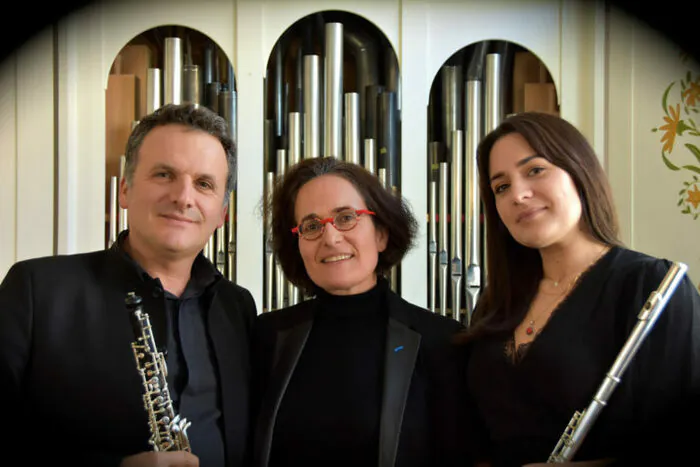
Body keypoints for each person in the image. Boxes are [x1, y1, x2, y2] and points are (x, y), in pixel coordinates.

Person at [0, 103, 257, 467]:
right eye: (164, 175)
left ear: (222, 213)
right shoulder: (35, 290)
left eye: (204, 184)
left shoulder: (239, 307)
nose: (184, 197)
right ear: (124, 190)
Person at [459, 111, 700, 467]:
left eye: (535, 170)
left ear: (578, 171)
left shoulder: (652, 285)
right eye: (501, 187)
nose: (519, 195)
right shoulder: (495, 301)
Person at [250, 157, 472, 467]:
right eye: (311, 226)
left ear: (381, 234)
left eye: (346, 218)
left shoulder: (441, 341)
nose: (330, 237)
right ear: (297, 246)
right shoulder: (267, 336)